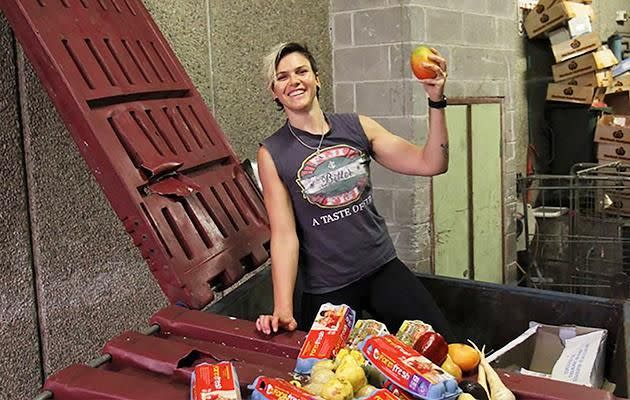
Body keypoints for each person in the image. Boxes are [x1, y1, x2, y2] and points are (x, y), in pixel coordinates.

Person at [254, 42, 453, 340]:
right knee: (324, 377)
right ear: (274, 91)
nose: (293, 81)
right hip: (327, 287)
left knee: (442, 347)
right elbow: (284, 234)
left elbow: (432, 163)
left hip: (381, 268)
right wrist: (283, 307)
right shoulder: (273, 153)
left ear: (317, 78)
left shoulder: (356, 127)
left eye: (301, 71)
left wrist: (436, 101)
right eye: (281, 77)